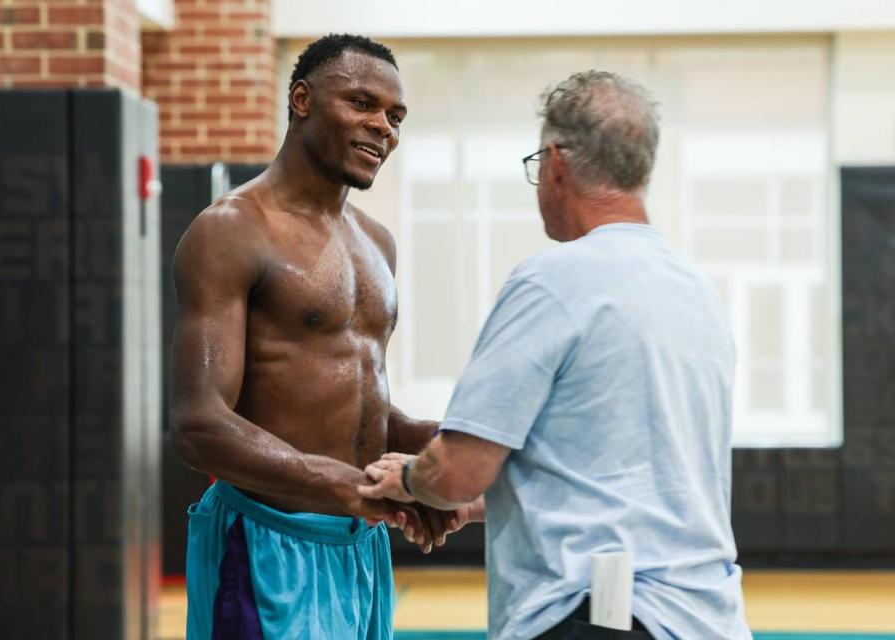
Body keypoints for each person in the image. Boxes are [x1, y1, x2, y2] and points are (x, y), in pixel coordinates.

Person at [360, 71, 752, 640]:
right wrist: (475, 506)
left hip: (598, 619)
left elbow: (457, 470)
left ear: (554, 162)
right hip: (708, 619)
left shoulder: (553, 281)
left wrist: (411, 480)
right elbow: (614, 481)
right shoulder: (697, 293)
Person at [170, 34, 468, 640]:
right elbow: (199, 422)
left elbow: (349, 402)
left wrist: (440, 452)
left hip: (360, 546)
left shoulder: (377, 242)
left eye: (396, 116)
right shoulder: (231, 230)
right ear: (302, 99)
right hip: (265, 543)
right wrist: (342, 483)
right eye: (362, 103)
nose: (383, 126)